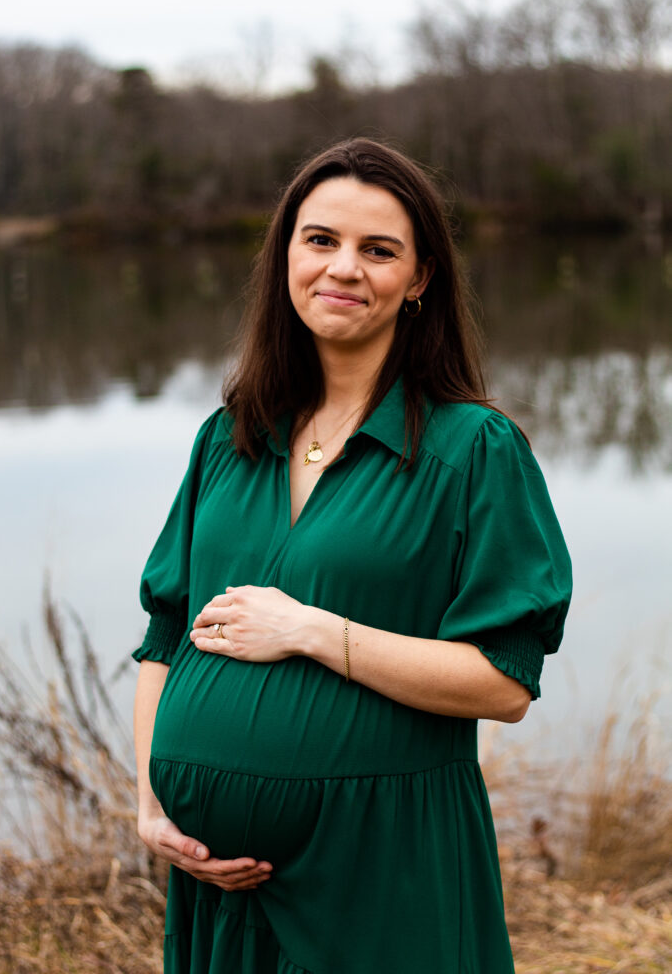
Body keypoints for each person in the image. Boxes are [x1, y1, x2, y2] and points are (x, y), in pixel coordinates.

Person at [132, 137, 572, 974]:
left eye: (379, 251)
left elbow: (504, 682)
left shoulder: (473, 449)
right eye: (321, 240)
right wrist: (151, 806)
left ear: (419, 280)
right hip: (219, 886)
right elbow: (166, 637)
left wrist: (311, 631)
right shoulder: (227, 442)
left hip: (383, 866)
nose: (343, 269)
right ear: (285, 255)